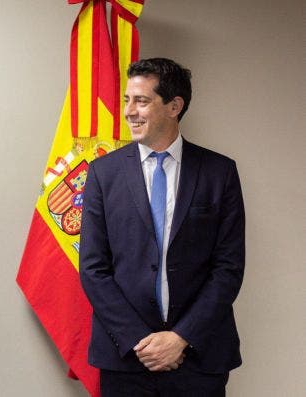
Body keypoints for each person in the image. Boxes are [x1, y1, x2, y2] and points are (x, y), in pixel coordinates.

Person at [79, 58, 245, 396]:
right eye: (127, 100)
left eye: (141, 100)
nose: (129, 111)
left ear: (174, 106)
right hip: (125, 357)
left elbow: (228, 268)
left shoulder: (219, 173)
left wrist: (181, 337)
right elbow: (94, 268)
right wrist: (140, 341)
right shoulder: (101, 174)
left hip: (199, 357)